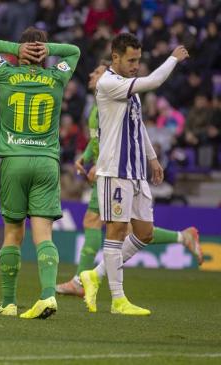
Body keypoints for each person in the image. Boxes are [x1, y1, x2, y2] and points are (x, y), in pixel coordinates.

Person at [56, 64, 203, 297]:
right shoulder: (94, 108)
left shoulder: (113, 101)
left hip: (113, 171)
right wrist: (85, 158)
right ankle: (182, 236)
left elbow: (116, 137)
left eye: (97, 72)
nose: (92, 75)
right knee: (133, 230)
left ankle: (82, 281)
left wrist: (98, 163)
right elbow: (98, 141)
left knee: (101, 223)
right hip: (107, 168)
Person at [79, 33, 189, 316]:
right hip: (115, 169)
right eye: (131, 60)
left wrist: (152, 159)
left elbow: (138, 127)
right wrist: (173, 58)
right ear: (115, 57)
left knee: (145, 233)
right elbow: (154, 81)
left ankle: (94, 275)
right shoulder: (109, 83)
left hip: (137, 172)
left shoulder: (130, 89)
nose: (136, 65)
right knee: (116, 231)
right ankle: (118, 300)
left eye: (138, 60)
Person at [0, 27, 80, 319]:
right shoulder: (56, 77)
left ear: (20, 52)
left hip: (14, 160)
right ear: (43, 53)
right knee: (44, 235)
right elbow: (74, 51)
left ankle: (8, 302)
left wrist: (15, 47)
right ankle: (48, 295)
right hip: (46, 162)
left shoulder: (6, 75)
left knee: (12, 233)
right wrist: (48, 50)